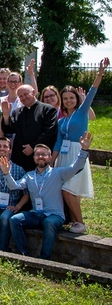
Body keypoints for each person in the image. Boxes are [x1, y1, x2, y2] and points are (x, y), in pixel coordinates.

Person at [0, 133, 94, 259]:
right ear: (34, 157)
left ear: (50, 158)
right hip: (35, 214)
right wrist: (6, 173)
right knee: (14, 220)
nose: (40, 157)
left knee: (49, 223)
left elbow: (76, 167)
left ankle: (44, 258)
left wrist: (84, 150)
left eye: (44, 154)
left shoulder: (58, 173)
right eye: (38, 154)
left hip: (54, 215)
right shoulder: (29, 176)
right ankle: (24, 255)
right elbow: (15, 186)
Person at [53, 57, 108, 233]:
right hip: (63, 155)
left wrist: (100, 73)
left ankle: (81, 222)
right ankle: (75, 222)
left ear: (76, 99)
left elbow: (93, 90)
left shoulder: (82, 112)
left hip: (78, 152)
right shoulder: (61, 121)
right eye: (65, 98)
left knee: (69, 190)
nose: (68, 101)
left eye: (71, 98)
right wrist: (51, 161)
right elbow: (58, 142)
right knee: (66, 191)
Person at [1, 84, 58, 173]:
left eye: (26, 94)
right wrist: (6, 115)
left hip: (39, 155)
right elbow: (8, 130)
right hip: (20, 156)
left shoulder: (47, 109)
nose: (24, 98)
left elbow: (50, 132)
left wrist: (33, 146)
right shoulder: (17, 112)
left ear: (33, 92)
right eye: (21, 96)